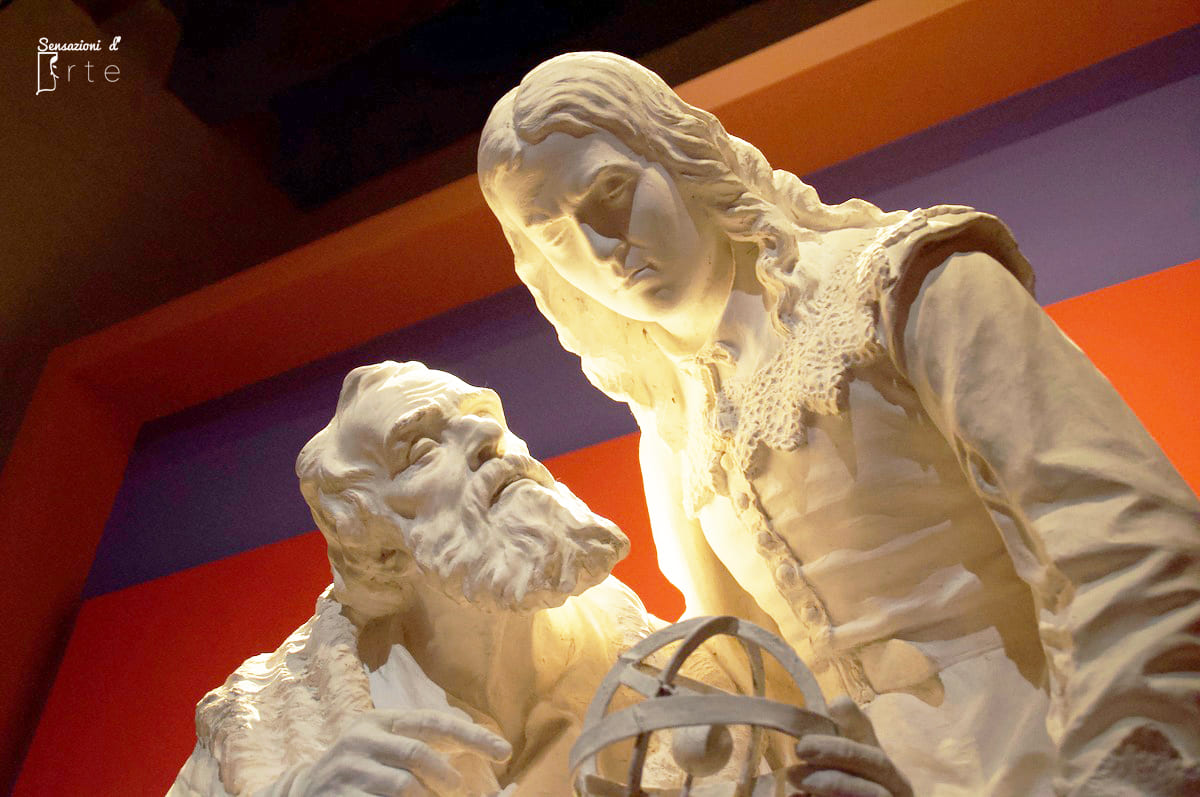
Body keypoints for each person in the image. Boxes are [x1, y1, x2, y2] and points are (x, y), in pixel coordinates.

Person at [477, 51, 1200, 796]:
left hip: (1044, 753)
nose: (601, 248)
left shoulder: (905, 284)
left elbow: (1128, 542)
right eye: (555, 234)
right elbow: (745, 663)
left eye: (612, 190)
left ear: (675, 153)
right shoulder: (672, 427)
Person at [169, 361, 913, 797]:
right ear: (380, 548)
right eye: (422, 450)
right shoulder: (262, 730)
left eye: (482, 417)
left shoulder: (694, 688)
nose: (484, 439)